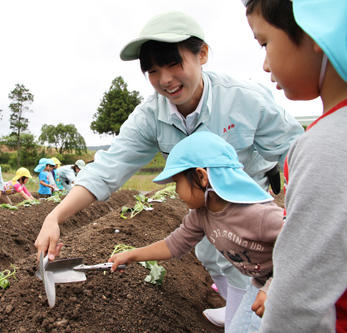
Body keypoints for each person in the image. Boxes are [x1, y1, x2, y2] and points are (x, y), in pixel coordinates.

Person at [34, 11, 303, 328]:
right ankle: (235, 302)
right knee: (208, 252)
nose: (164, 79)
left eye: (174, 64)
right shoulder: (150, 117)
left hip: (246, 194)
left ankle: (247, 313)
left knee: (247, 257)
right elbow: (108, 167)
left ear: (201, 54)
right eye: (152, 70)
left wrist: (278, 176)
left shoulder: (245, 100)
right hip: (206, 199)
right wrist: (55, 217)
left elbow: (299, 153)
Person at [109, 132, 284, 332]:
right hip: (260, 284)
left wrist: (274, 288)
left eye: (177, 182)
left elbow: (304, 248)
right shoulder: (202, 215)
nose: (175, 191)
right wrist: (132, 255)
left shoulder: (259, 215)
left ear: (201, 177)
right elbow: (173, 244)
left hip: (290, 282)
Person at [244, 0, 347, 331]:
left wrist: (279, 296)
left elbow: (299, 299)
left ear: (316, 30)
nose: (264, 65)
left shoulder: (325, 146)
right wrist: (274, 285)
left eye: (264, 43)